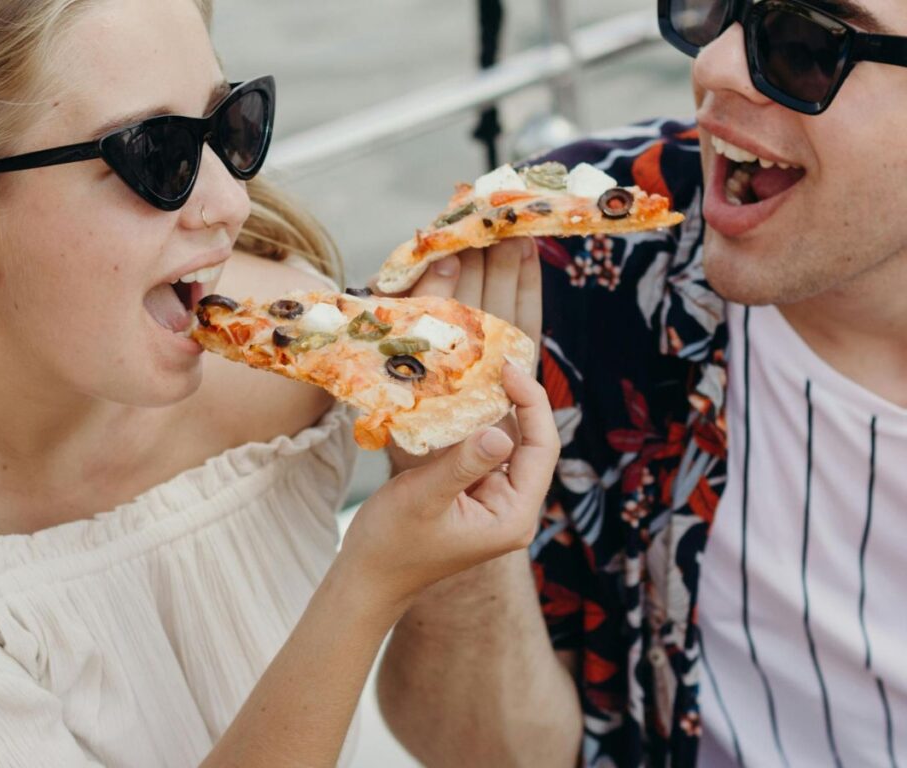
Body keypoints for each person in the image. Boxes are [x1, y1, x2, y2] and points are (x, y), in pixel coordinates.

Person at [0, 1, 561, 766]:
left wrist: (451, 475)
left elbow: (515, 756)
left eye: (228, 124)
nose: (232, 204)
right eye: (158, 154)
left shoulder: (291, 378)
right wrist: (368, 581)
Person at [379, 0, 907, 766]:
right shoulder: (573, 267)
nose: (714, 66)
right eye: (714, 9)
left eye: (804, 43)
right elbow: (480, 751)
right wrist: (453, 506)